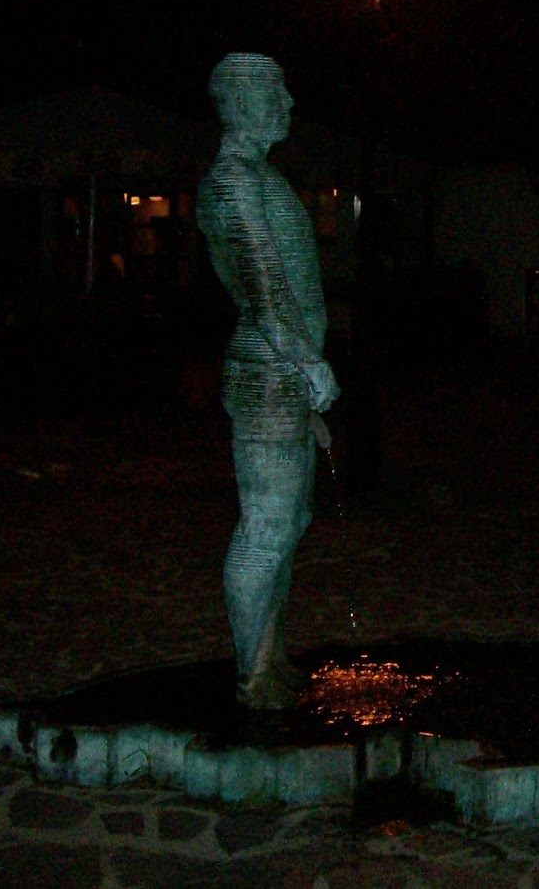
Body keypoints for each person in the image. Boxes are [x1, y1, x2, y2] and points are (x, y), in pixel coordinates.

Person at [198, 53, 339, 709]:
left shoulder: (258, 176)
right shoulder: (232, 180)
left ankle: (269, 655)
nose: (287, 102)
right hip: (268, 371)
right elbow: (261, 284)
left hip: (283, 372)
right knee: (268, 524)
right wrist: (306, 361)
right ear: (240, 102)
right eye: (273, 90)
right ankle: (252, 675)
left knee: (291, 517)